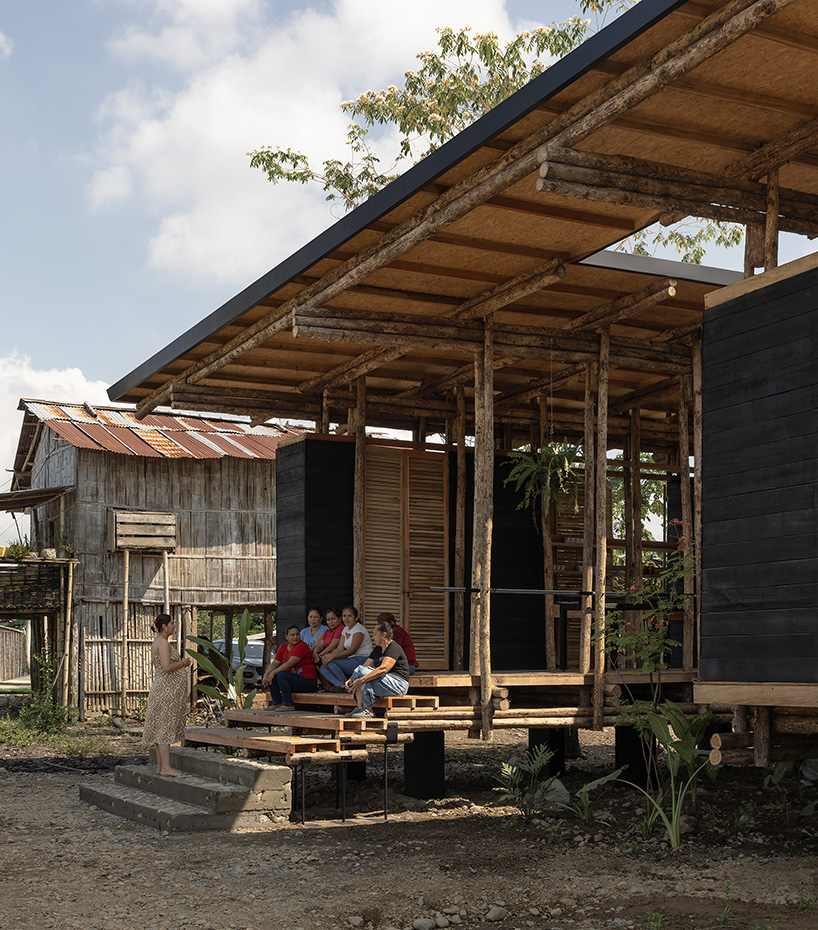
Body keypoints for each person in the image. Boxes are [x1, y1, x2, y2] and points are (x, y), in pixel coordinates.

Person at [142, 613, 194, 777]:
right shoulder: (162, 643)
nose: (174, 625)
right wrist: (183, 663)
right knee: (164, 728)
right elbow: (166, 667)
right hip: (166, 691)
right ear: (164, 626)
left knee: (160, 728)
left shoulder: (160, 642)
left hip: (164, 690)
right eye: (172, 623)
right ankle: (166, 768)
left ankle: (161, 767)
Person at [344, 620, 410, 718]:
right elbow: (364, 666)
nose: (373, 637)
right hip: (383, 683)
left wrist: (362, 679)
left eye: (375, 634)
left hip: (398, 685)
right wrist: (351, 679)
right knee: (360, 670)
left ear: (383, 635)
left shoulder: (393, 648)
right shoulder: (378, 649)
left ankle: (368, 710)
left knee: (363, 674)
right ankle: (361, 708)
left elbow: (383, 669)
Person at [261, 625, 318, 709]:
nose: (295, 637)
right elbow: (275, 663)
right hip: (293, 680)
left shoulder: (302, 646)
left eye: (297, 634)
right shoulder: (283, 647)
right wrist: (266, 675)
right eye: (292, 635)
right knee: (273, 677)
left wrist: (273, 673)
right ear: (286, 637)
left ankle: (288, 704)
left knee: (281, 675)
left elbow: (289, 664)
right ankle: (277, 703)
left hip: (307, 682)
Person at [319, 605, 372, 692]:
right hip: (351, 660)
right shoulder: (346, 629)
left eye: (349, 616)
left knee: (332, 663)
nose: (346, 618)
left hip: (363, 660)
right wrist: (328, 656)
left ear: (356, 618)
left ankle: (347, 685)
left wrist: (332, 657)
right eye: (344, 616)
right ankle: (342, 685)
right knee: (323, 667)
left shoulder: (359, 629)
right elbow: (340, 648)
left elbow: (352, 650)